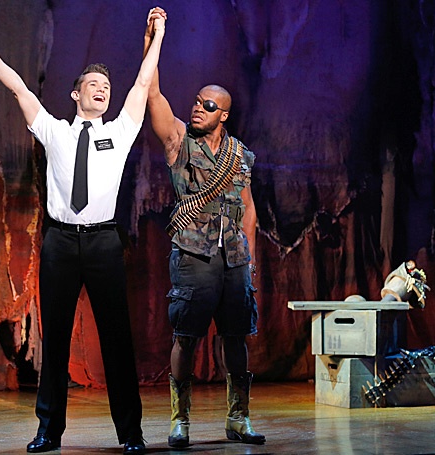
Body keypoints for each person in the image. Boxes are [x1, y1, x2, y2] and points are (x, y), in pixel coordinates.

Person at [0, 7, 166, 454]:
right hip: (60, 242)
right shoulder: (54, 131)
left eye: (106, 87)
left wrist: (158, 36)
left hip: (103, 242)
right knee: (55, 340)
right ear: (76, 94)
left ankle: (130, 434)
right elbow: (17, 86)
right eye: (94, 84)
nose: (103, 89)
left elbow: (141, 84)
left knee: (116, 340)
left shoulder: (120, 131)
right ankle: (48, 431)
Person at [142, 33, 266, 447]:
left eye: (208, 105)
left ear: (223, 115)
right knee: (186, 337)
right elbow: (153, 94)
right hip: (193, 253)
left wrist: (250, 262)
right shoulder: (180, 140)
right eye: (197, 102)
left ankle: (238, 417)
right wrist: (153, 42)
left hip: (234, 258)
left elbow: (248, 209)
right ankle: (180, 420)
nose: (198, 107)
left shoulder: (240, 155)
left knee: (236, 338)